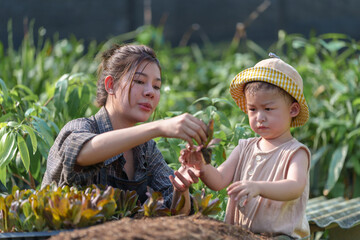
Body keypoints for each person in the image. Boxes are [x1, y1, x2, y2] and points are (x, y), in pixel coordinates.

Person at [41, 43, 207, 214]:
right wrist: (158, 127)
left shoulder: (146, 149)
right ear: (110, 85)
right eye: (139, 81)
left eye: (156, 86)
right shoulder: (80, 128)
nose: (150, 92)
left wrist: (181, 189)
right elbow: (82, 153)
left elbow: (179, 215)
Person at [179, 54, 311, 239]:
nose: (259, 117)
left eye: (268, 109)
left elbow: (294, 187)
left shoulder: (295, 152)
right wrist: (202, 166)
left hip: (281, 236)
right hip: (243, 234)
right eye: (253, 109)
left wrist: (258, 187)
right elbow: (219, 180)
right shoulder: (245, 147)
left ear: (293, 110)